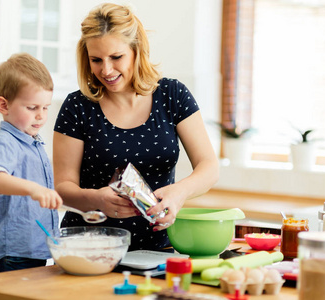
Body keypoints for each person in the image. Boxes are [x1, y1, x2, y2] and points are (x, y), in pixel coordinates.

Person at [53, 3, 219, 251]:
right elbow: (63, 188)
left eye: (116, 57)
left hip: (158, 249)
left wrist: (179, 193)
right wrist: (96, 199)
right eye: (96, 60)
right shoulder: (77, 107)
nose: (106, 70)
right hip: (88, 249)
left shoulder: (172, 95)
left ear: (136, 50)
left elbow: (209, 167)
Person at [0, 53, 62, 273]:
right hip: (14, 255)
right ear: (4, 105)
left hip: (34, 250)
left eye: (45, 107)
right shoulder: (5, 141)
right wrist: (33, 189)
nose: (41, 116)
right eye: (32, 108)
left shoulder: (33, 143)